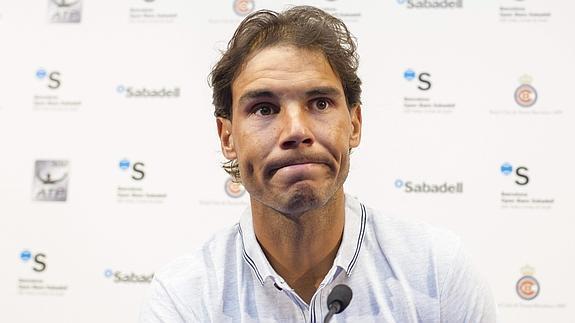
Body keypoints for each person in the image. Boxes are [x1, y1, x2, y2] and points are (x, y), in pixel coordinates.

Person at [139, 6, 497, 322]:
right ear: (227, 137)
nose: (296, 131)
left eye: (320, 103)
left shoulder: (436, 272)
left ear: (354, 124)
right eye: (264, 108)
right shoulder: (185, 299)